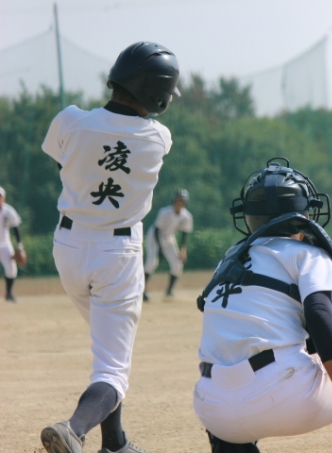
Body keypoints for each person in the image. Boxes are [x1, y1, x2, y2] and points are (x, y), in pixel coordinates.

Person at [192, 157, 332, 453]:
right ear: (304, 214)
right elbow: (318, 314)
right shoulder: (306, 254)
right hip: (282, 396)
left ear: (248, 215)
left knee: (237, 381)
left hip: (212, 408)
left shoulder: (229, 259)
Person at [39, 41, 180, 453]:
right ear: (156, 94)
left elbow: (64, 163)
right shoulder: (159, 137)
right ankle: (74, 429)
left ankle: (115, 444)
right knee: (113, 368)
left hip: (68, 246)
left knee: (107, 354)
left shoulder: (69, 120)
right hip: (116, 256)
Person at [143, 188, 193, 302]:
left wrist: (183, 250)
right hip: (154, 237)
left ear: (186, 202)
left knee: (177, 264)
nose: (180, 203)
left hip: (169, 238)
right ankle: (142, 291)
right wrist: (159, 248)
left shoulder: (187, 216)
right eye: (178, 200)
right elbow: (157, 230)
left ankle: (169, 291)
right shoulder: (164, 212)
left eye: (182, 201)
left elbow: (185, 233)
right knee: (152, 263)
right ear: (173, 201)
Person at [0, 186, 24, 303]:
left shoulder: (8, 211)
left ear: (3, 198)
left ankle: (9, 294)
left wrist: (19, 246)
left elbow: (16, 228)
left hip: (4, 244)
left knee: (11, 269)